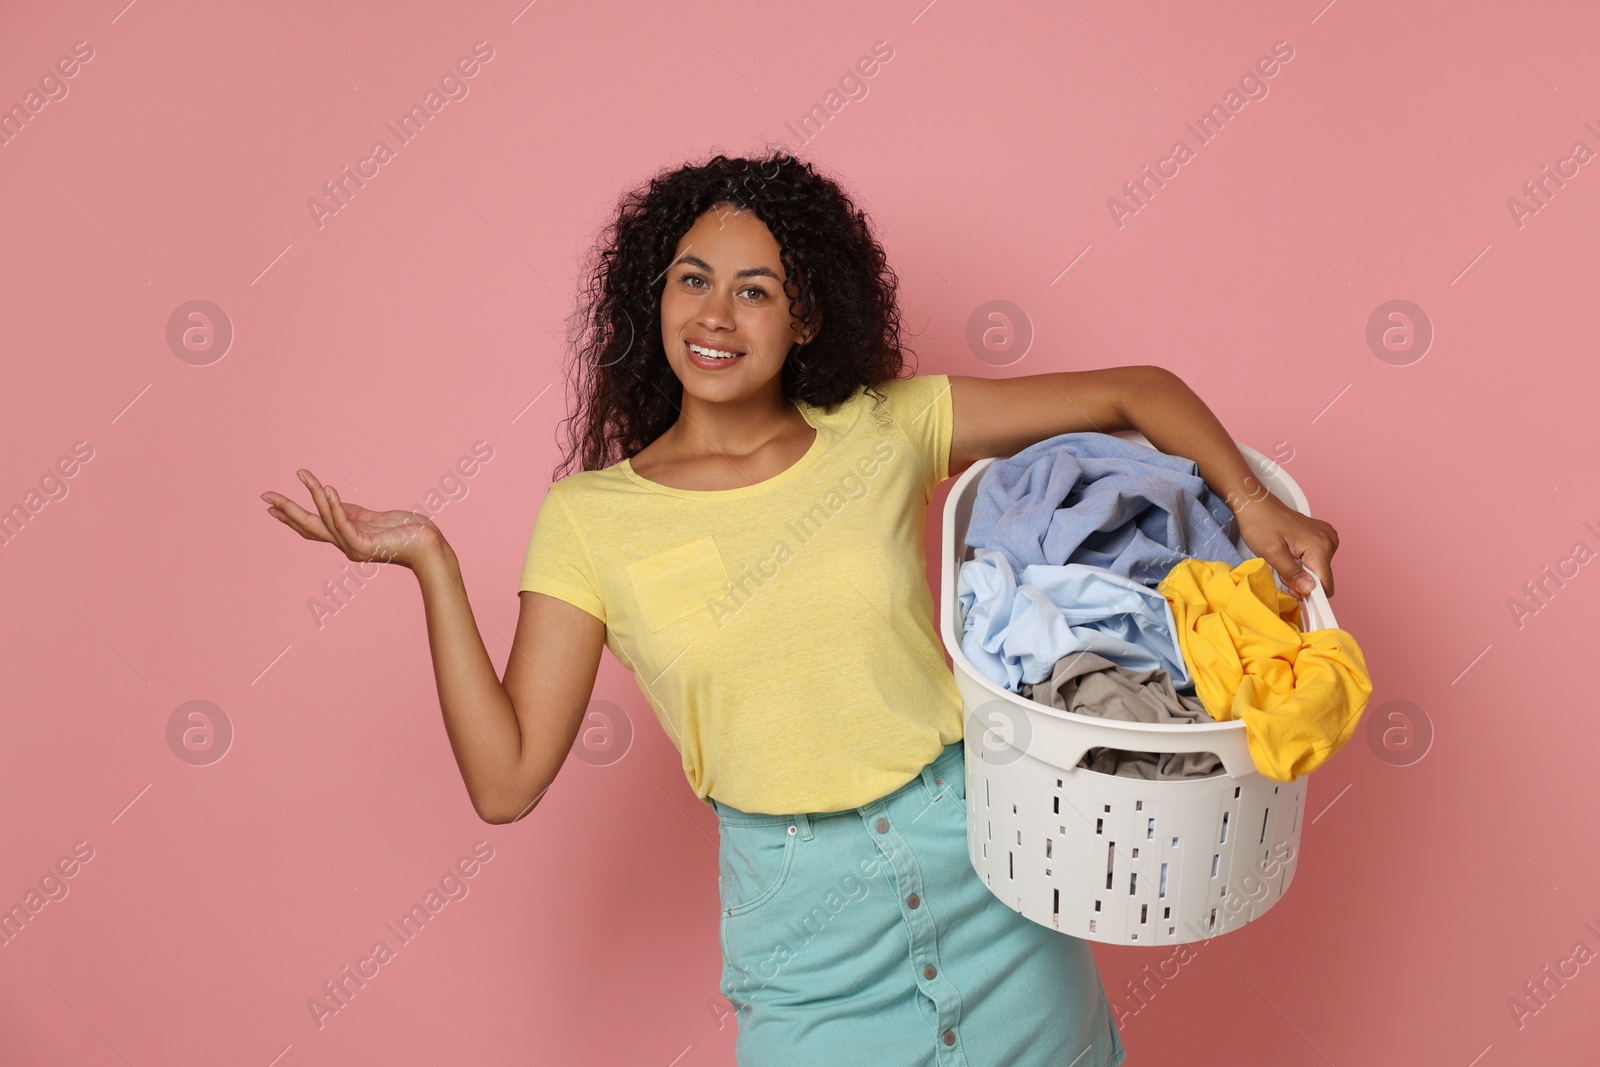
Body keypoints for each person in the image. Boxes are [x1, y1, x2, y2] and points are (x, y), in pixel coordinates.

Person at [260, 150, 1340, 1067]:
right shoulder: (589, 518)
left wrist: (1250, 506)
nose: (715, 314)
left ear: (806, 313)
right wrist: (431, 563)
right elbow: (504, 779)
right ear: (654, 297)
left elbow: (1132, 391)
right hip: (800, 935)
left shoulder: (882, 429)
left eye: (754, 288)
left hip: (990, 875)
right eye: (691, 280)